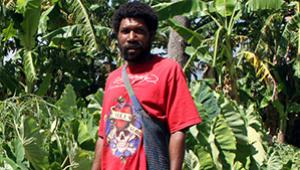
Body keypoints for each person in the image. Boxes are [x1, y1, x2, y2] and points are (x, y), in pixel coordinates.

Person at [92, 2, 201, 170]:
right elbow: (103, 135)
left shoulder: (168, 70)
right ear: (118, 36)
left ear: (150, 35)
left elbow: (178, 130)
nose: (131, 37)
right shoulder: (113, 78)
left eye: (139, 31)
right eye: (125, 31)